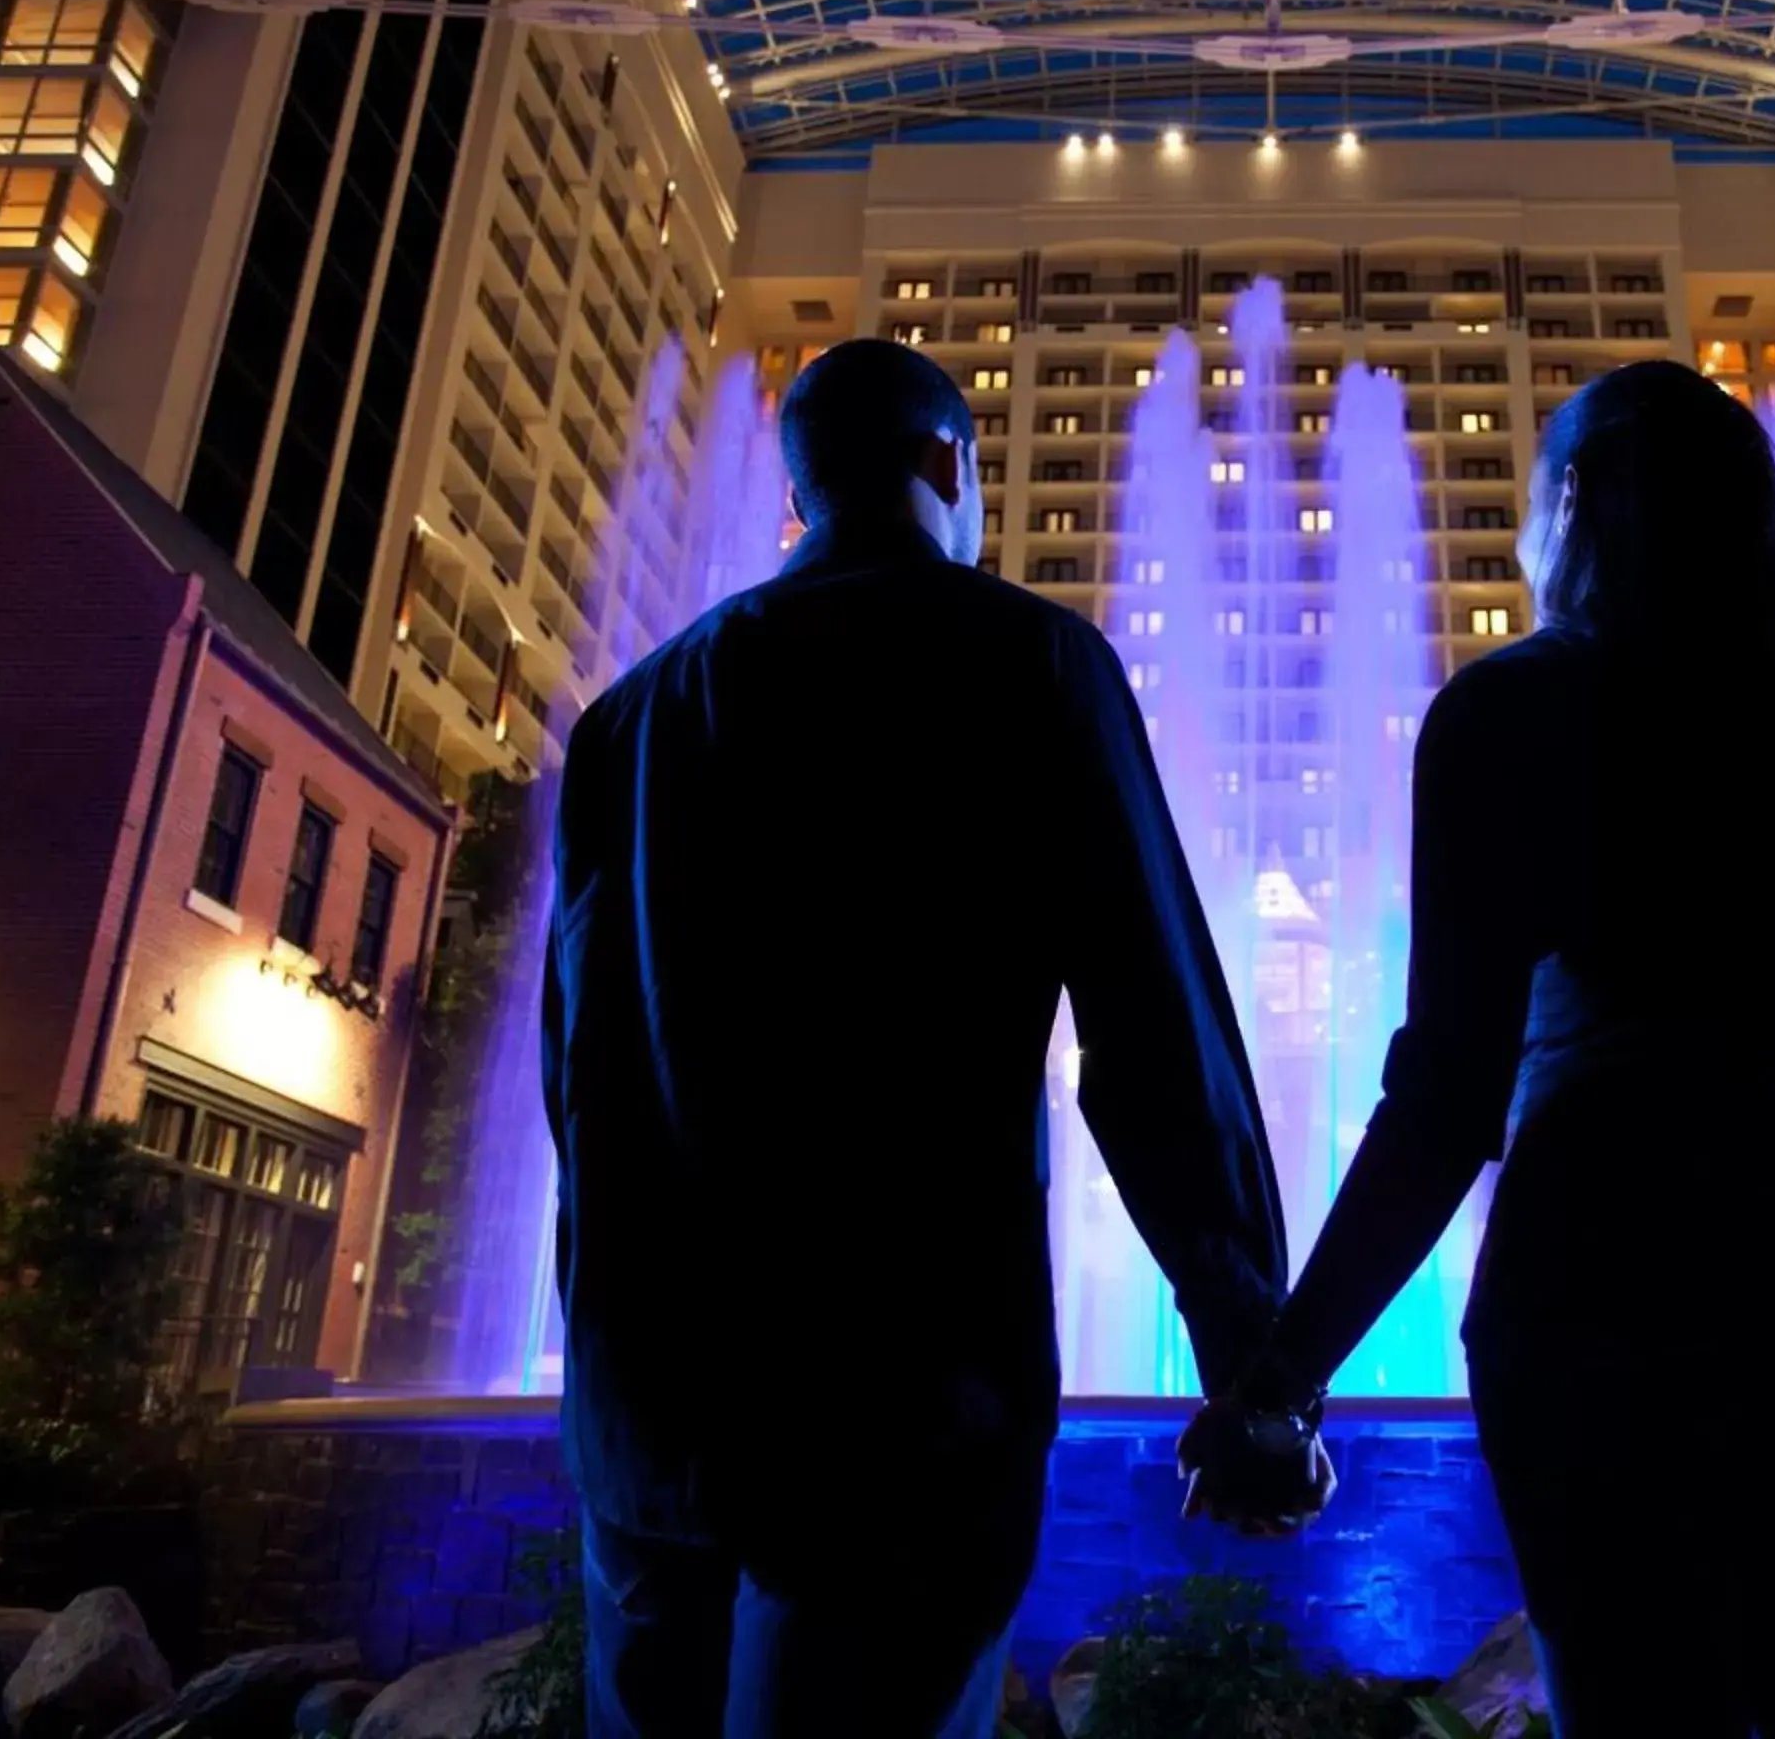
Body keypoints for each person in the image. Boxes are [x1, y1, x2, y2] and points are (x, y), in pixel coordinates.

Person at [541, 340, 1317, 1739]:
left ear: (797, 492)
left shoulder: (627, 722)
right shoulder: (1032, 664)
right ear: (949, 466)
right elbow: (1151, 1035)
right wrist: (1243, 1339)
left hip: (648, 1409)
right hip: (902, 1405)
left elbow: (572, 1065)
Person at [1183, 360, 1775, 1736]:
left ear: (1576, 500)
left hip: (1596, 1299)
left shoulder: (1513, 711)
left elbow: (1449, 1098)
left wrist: (1284, 1376)